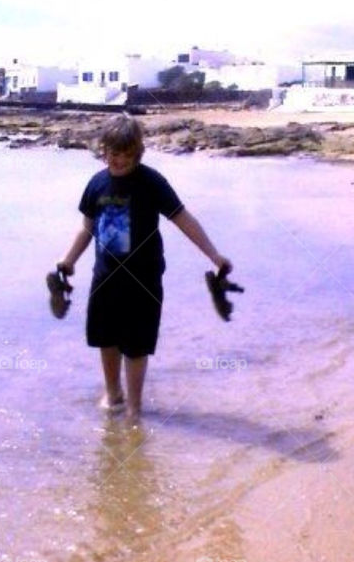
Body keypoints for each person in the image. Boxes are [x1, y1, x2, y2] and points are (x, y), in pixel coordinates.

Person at [58, 115, 232, 421]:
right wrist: (68, 261)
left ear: (138, 153)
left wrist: (214, 256)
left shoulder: (152, 183)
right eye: (115, 154)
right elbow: (86, 228)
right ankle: (113, 395)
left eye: (128, 155)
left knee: (136, 346)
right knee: (106, 340)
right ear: (104, 150)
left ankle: (135, 409)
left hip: (144, 280)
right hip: (105, 278)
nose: (121, 161)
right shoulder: (97, 184)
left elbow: (184, 220)